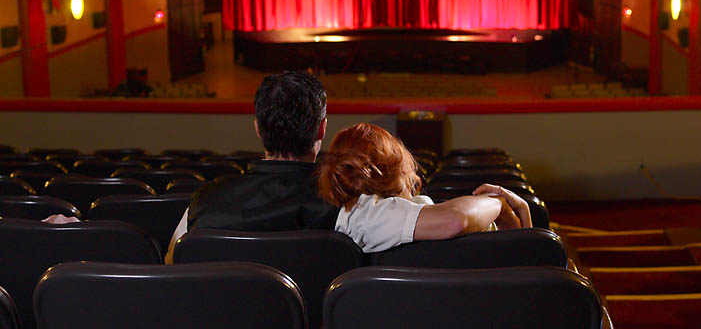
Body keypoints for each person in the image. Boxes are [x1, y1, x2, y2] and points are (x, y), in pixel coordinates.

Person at [165, 71, 339, 263]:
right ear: (322, 129)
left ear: (258, 129)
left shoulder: (204, 203)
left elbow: (172, 266)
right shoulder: (344, 206)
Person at [317, 123, 532, 253]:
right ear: (396, 169)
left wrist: (522, 231)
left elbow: (516, 260)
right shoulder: (364, 213)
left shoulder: (410, 213)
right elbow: (454, 221)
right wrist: (499, 203)